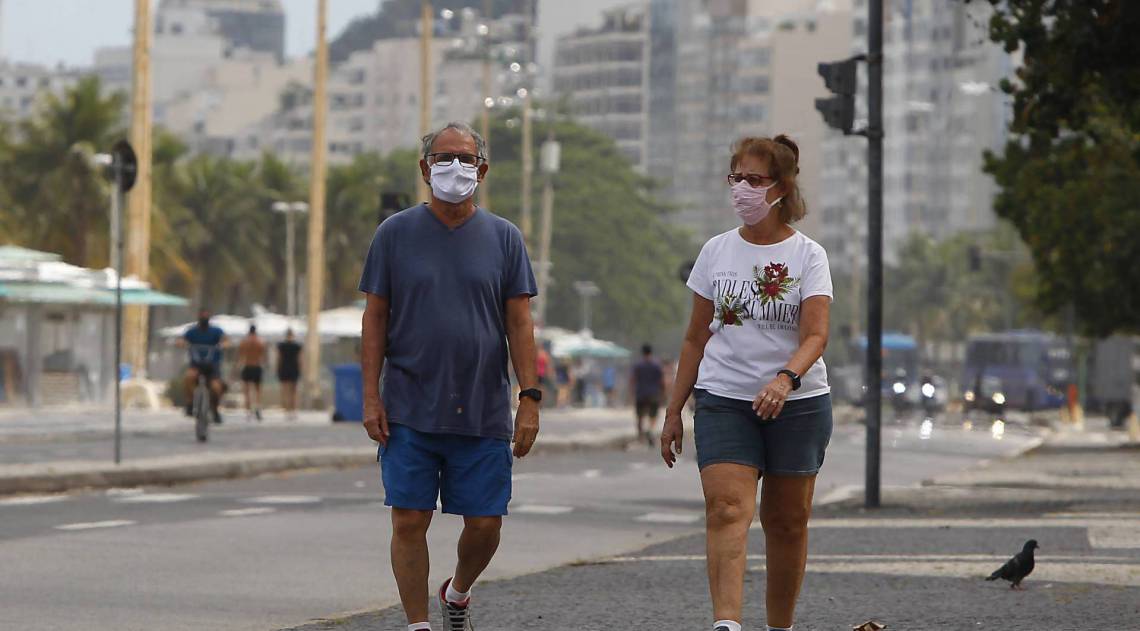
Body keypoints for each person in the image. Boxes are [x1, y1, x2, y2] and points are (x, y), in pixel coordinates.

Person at [359, 121, 540, 631]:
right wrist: (370, 396)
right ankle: (418, 624)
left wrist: (530, 397)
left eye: (464, 159)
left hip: (483, 407)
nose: (453, 168)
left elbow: (520, 321)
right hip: (409, 405)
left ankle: (457, 592)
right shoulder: (394, 234)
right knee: (409, 518)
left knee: (484, 523)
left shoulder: (505, 238)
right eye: (442, 158)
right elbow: (374, 317)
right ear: (424, 169)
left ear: (481, 170)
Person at [660, 135, 833, 631]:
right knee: (727, 508)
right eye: (736, 178)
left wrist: (785, 378)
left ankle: (780, 626)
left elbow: (816, 333)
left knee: (786, 522)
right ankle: (727, 624)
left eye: (754, 180)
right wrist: (674, 411)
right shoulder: (715, 252)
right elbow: (695, 338)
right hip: (724, 399)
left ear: (781, 187)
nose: (742, 189)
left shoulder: (808, 255)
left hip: (798, 404)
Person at [178, 309, 228, 424]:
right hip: (196, 364)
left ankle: (215, 409)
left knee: (216, 388)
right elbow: (182, 339)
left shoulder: (216, 331)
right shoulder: (192, 331)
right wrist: (182, 343)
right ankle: (190, 403)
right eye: (202, 317)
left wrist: (223, 345)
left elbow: (225, 340)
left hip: (212, 365)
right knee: (188, 378)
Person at [631, 344, 666, 446]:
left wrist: (632, 393)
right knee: (653, 415)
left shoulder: (638, 365)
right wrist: (663, 393)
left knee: (640, 416)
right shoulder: (656, 365)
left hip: (640, 393)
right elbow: (662, 381)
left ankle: (640, 436)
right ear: (651, 352)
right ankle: (650, 430)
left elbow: (633, 379)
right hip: (654, 393)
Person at [237, 324, 267, 421]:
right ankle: (258, 407)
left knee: (247, 390)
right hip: (257, 366)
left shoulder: (244, 342)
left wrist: (238, 367)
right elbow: (263, 356)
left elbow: (241, 356)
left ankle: (248, 411)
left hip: (247, 366)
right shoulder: (260, 342)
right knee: (257, 390)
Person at [276, 329, 302, 420]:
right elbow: (299, 359)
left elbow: (279, 359)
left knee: (285, 391)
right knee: (293, 392)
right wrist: (300, 369)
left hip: (284, 369)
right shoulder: (297, 346)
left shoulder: (281, 346)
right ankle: (293, 410)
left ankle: (287, 411)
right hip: (294, 369)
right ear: (293, 335)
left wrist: (278, 369)